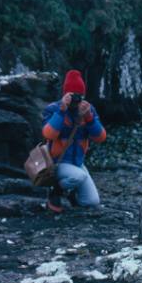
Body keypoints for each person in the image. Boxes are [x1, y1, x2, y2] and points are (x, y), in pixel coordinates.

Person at [42, 69, 106, 213]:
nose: (75, 100)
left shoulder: (87, 110)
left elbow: (100, 138)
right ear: (65, 94)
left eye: (79, 96)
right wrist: (61, 111)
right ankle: (55, 190)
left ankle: (71, 193)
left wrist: (89, 118)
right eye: (72, 95)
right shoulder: (53, 109)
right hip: (58, 162)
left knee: (92, 201)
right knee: (79, 176)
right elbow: (48, 134)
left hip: (77, 163)